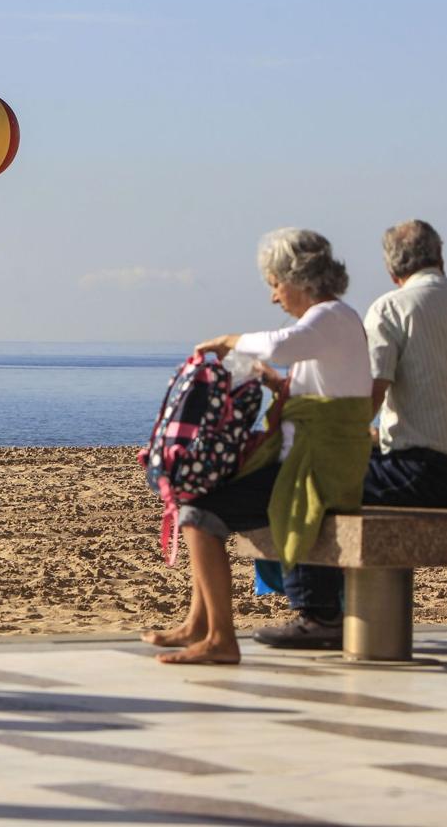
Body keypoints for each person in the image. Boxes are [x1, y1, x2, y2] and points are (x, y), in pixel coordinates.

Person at [141, 228, 372, 664]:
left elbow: (281, 346)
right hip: (313, 459)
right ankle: (199, 625)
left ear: (299, 277)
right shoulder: (335, 320)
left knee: (197, 512)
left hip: (317, 469)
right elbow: (318, 386)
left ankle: (220, 639)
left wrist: (230, 341)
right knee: (201, 505)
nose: (273, 297)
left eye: (274, 283)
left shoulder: (329, 318)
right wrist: (270, 380)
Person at [255, 220, 447, 649]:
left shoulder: (393, 307)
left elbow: (370, 396)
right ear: (440, 255)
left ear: (391, 268)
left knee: (311, 485)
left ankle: (319, 613)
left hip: (420, 470)